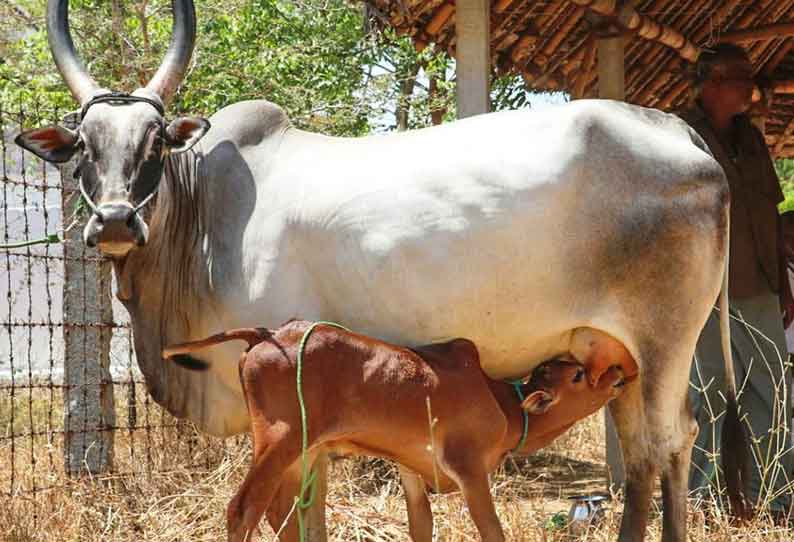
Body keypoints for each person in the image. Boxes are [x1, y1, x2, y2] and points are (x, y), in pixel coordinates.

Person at [679, 42, 793, 516]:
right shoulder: (680, 136)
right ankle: (700, 509)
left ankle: (777, 501)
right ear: (712, 82)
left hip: (759, 289)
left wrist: (783, 285)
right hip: (701, 294)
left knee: (774, 397)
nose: (751, 86)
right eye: (741, 76)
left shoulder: (753, 139)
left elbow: (769, 211)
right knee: (704, 401)